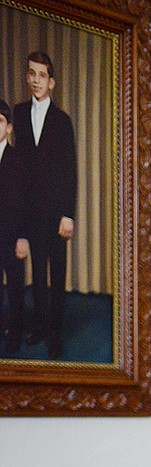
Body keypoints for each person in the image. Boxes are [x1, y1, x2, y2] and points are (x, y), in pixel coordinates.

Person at [13, 50, 76, 358]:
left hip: (56, 212)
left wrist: (68, 215)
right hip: (32, 211)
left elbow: (70, 170)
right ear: (27, 78)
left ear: (52, 82)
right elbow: (20, 169)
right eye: (31, 73)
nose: (36, 80)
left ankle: (56, 334)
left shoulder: (63, 121)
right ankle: (38, 327)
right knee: (37, 272)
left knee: (57, 272)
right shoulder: (19, 115)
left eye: (42, 75)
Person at [0, 99, 29, 356]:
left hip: (12, 237)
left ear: (8, 127)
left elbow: (25, 202)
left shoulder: (18, 159)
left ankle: (15, 335)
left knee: (17, 287)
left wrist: (23, 237)